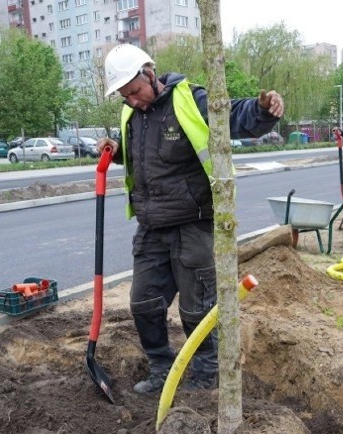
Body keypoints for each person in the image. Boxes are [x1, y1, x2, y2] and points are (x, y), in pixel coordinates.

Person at [96, 44, 284, 396]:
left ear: (150, 73)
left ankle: (204, 376)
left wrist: (263, 111)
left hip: (193, 225)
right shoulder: (132, 115)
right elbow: (147, 159)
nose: (132, 100)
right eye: (124, 95)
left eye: (135, 91)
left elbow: (232, 114)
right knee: (143, 303)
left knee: (197, 310)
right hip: (151, 228)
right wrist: (118, 152)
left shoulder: (188, 99)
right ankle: (161, 367)